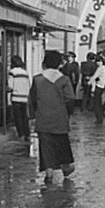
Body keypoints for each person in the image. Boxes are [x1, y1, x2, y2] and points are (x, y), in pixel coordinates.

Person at [28, 50, 76, 182]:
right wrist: (67, 113)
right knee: (62, 145)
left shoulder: (37, 79)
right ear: (60, 64)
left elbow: (32, 100)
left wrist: (33, 116)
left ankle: (49, 172)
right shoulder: (64, 79)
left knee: (46, 148)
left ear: (44, 64)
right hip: (60, 121)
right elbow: (70, 99)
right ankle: (65, 167)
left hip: (43, 120)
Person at [8, 55, 31, 141]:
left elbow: (10, 86)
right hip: (24, 98)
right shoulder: (25, 73)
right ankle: (27, 134)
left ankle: (21, 134)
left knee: (17, 117)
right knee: (24, 117)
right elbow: (28, 85)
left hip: (16, 98)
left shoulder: (12, 72)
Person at [91, 55, 105, 124]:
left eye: (98, 61)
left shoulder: (100, 68)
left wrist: (89, 82)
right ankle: (100, 116)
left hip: (98, 86)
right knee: (99, 102)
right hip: (103, 86)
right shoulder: (104, 68)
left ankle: (99, 117)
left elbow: (94, 77)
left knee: (96, 103)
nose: (97, 63)